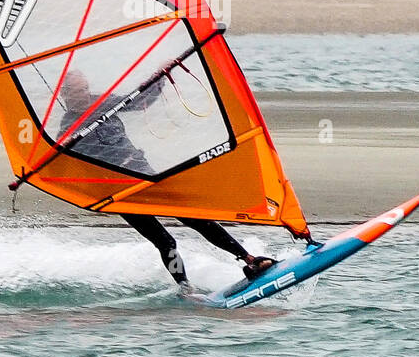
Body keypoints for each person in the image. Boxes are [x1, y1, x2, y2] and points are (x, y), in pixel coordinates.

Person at [57, 69, 276, 288]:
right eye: (77, 91)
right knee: (165, 241)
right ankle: (184, 287)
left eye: (85, 88)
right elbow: (62, 171)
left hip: (145, 175)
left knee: (195, 218)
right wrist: (63, 150)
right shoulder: (67, 129)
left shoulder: (101, 104)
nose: (84, 95)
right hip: (120, 192)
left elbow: (138, 101)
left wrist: (159, 77)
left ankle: (249, 260)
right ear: (64, 95)